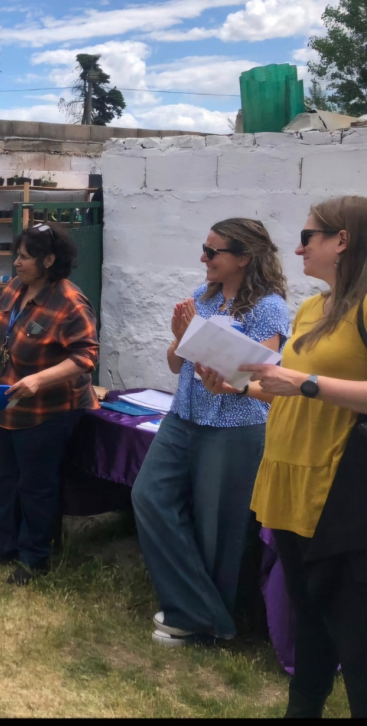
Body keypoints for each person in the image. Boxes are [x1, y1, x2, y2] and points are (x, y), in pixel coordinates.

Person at [201, 197, 367, 717]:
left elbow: (307, 386)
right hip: (288, 478)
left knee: (355, 635)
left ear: (343, 240)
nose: (297, 247)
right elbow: (288, 391)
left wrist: (304, 381)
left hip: (338, 490)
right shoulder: (312, 307)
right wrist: (239, 386)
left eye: (309, 235)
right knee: (308, 619)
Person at [131, 219, 290, 646]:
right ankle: (204, 614)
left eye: (213, 251)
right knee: (148, 496)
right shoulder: (204, 297)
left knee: (218, 528)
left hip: (233, 426)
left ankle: (197, 622)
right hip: (183, 418)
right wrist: (181, 340)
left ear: (243, 257)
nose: (203, 257)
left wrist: (196, 341)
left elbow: (259, 377)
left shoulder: (268, 308)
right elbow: (175, 364)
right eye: (205, 248)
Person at [0, 223, 99, 585]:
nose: (17, 262)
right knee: (3, 479)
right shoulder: (15, 288)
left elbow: (85, 357)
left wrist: (38, 380)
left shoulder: (71, 303)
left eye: (24, 257)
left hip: (47, 412)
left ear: (49, 260)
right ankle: (2, 544)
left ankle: (34, 557)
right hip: (2, 403)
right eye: (17, 255)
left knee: (36, 485)